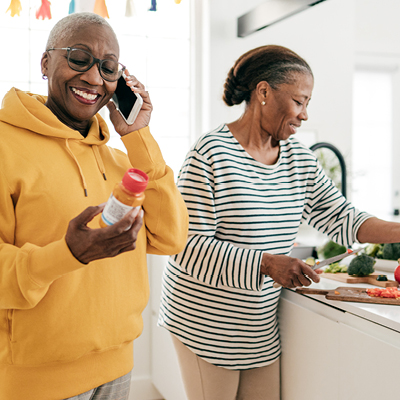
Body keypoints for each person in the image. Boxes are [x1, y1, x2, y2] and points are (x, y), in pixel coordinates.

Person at [158, 44, 400, 400]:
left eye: (307, 104)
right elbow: (186, 247)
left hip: (258, 325)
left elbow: (344, 218)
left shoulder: (298, 160)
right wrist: (267, 264)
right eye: (300, 101)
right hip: (205, 324)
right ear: (264, 92)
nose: (304, 115)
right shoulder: (210, 153)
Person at [0, 12, 188, 400]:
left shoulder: (120, 161)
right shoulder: (5, 148)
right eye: (79, 58)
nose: (93, 78)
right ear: (46, 62)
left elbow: (170, 236)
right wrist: (67, 254)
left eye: (108, 68)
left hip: (118, 368)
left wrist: (138, 137)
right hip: (36, 379)